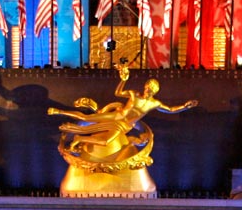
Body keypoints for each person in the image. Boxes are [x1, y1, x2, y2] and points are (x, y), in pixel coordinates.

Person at [47, 64, 198, 156]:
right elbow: (118, 93)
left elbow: (170, 109)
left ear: (154, 92)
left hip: (125, 126)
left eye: (151, 90)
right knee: (87, 118)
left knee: (105, 141)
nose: (148, 91)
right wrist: (123, 80)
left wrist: (185, 106)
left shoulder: (154, 103)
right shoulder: (134, 94)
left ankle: (79, 139)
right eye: (147, 88)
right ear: (145, 87)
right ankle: (59, 111)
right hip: (116, 116)